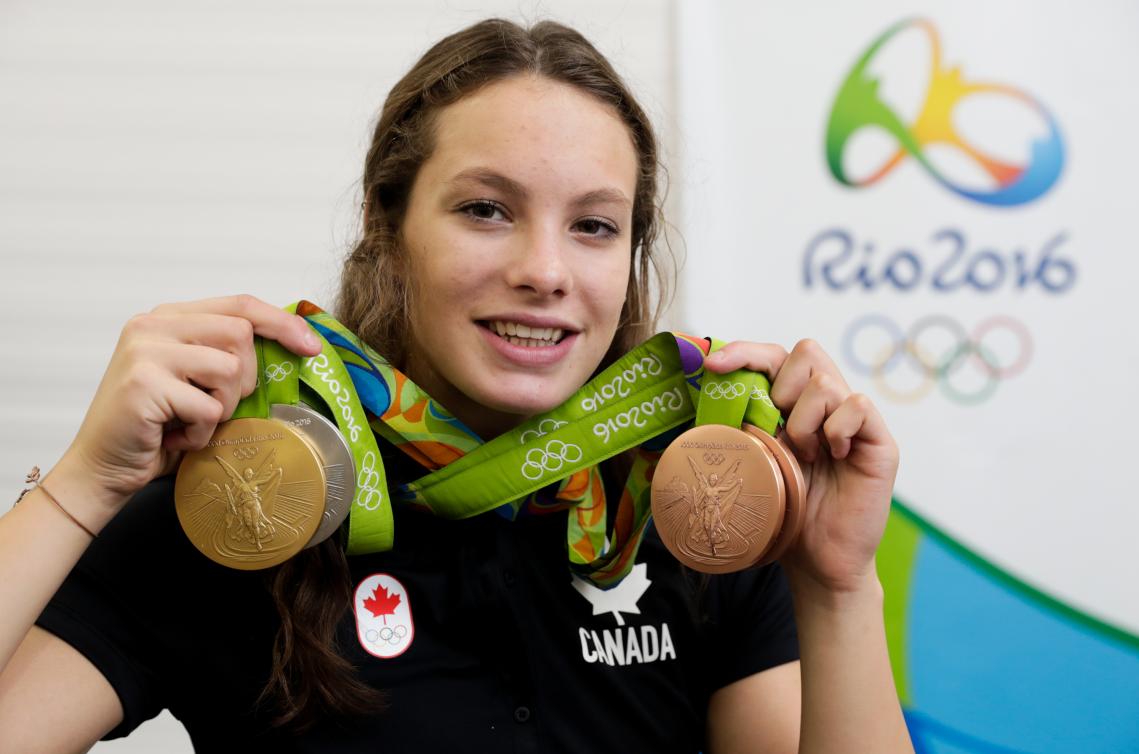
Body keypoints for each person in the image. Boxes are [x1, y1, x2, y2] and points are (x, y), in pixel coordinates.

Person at [0, 18, 912, 753]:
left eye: (593, 226)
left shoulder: (695, 520)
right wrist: (84, 487)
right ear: (386, 223)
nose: (545, 270)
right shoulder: (243, 505)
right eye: (486, 209)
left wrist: (836, 587)